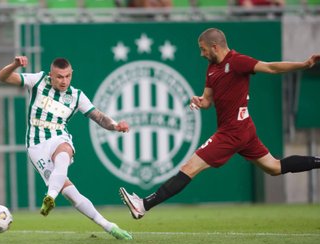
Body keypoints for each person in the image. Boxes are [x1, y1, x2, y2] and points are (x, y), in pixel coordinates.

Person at [119, 27, 320, 220]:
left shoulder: (238, 61)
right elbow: (207, 101)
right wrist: (199, 101)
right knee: (274, 167)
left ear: (215, 46)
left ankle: (143, 205)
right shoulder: (212, 69)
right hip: (243, 130)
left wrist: (304, 64)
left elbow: (270, 67)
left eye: (203, 49)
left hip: (233, 132)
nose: (201, 53)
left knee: (189, 167)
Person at [0, 56, 133, 240]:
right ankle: (109, 226)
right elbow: (3, 77)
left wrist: (116, 125)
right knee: (71, 193)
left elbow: (99, 117)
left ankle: (50, 196)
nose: (64, 81)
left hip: (58, 136)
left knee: (65, 150)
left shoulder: (76, 96)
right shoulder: (37, 80)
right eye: (60, 77)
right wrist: (14, 64)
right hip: (36, 146)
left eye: (68, 76)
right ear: (51, 75)